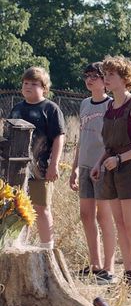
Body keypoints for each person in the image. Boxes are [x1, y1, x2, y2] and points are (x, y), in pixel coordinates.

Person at [91, 55, 131, 290]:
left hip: (130, 168)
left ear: (125, 78)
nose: (106, 78)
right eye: (105, 74)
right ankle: (128, 276)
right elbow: (108, 145)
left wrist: (119, 159)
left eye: (111, 74)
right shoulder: (109, 105)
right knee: (119, 224)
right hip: (111, 166)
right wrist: (99, 163)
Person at [70, 62, 116, 284]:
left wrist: (101, 163)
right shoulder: (85, 104)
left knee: (103, 216)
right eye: (86, 76)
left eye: (94, 76)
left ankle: (109, 268)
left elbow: (111, 141)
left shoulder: (111, 105)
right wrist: (75, 168)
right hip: (86, 166)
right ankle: (95, 265)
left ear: (104, 80)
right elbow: (81, 139)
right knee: (86, 215)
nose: (89, 80)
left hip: (103, 167)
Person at [9, 66, 65, 249]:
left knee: (41, 208)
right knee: (16, 208)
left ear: (44, 87)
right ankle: (18, 246)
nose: (28, 87)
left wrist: (54, 164)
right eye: (26, 83)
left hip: (41, 169)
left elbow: (59, 137)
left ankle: (46, 249)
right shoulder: (17, 109)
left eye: (34, 83)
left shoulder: (50, 108)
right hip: (15, 169)